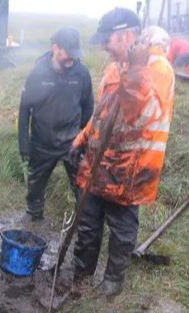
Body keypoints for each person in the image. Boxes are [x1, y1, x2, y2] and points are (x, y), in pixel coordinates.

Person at [70, 8, 175, 296]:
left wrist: (136, 71)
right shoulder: (115, 65)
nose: (103, 45)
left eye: (108, 39)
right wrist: (82, 138)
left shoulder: (158, 70)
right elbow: (103, 110)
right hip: (98, 162)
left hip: (130, 169)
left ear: (128, 35)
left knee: (121, 229)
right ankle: (81, 274)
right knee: (88, 222)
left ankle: (112, 282)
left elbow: (139, 116)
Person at [18, 27, 94, 221]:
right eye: (69, 53)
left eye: (76, 54)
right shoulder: (38, 73)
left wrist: (82, 138)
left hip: (72, 144)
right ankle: (34, 216)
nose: (72, 59)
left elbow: (88, 107)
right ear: (55, 48)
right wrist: (24, 144)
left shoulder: (82, 73)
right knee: (35, 187)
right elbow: (25, 109)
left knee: (82, 187)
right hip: (42, 142)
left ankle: (82, 224)